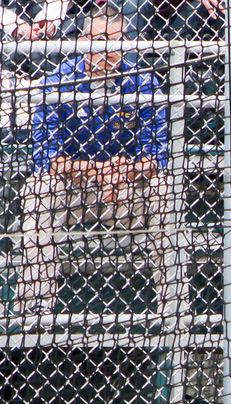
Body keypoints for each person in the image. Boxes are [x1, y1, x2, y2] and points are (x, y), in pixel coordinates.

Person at [16, 2, 177, 319]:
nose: (109, 50)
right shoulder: (57, 81)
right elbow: (45, 157)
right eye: (101, 40)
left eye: (116, 42)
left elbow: (156, 155)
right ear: (84, 40)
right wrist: (98, 170)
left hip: (126, 194)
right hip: (73, 194)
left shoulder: (143, 82)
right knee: (38, 188)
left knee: (164, 187)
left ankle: (174, 307)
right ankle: (35, 307)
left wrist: (125, 171)